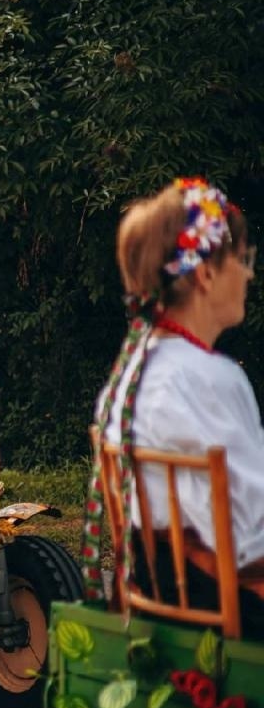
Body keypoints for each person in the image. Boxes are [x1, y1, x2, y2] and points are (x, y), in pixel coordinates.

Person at [91, 177, 264, 625]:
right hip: (229, 604)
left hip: (157, 592)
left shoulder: (126, 375)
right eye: (242, 260)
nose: (249, 273)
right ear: (205, 273)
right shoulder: (210, 377)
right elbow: (253, 525)